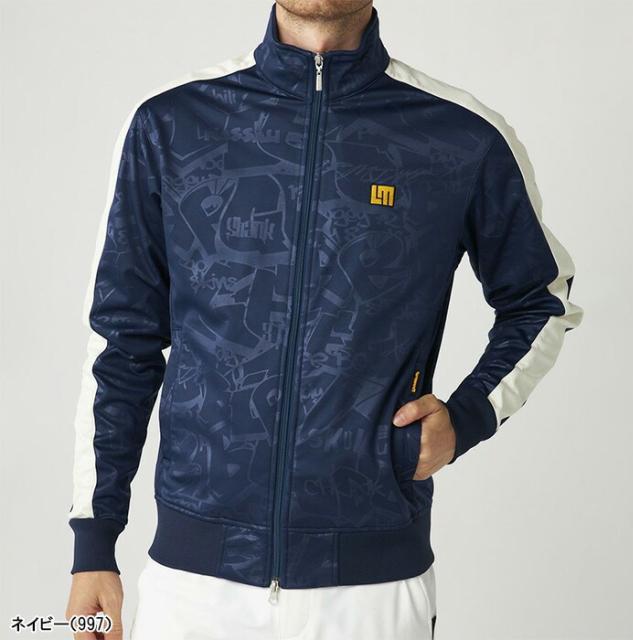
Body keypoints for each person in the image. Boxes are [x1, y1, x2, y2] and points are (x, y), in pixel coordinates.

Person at [65, 1, 583, 638]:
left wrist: (468, 417)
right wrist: (94, 543)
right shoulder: (173, 122)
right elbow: (123, 340)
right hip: (195, 586)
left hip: (373, 587)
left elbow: (541, 299)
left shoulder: (458, 136)